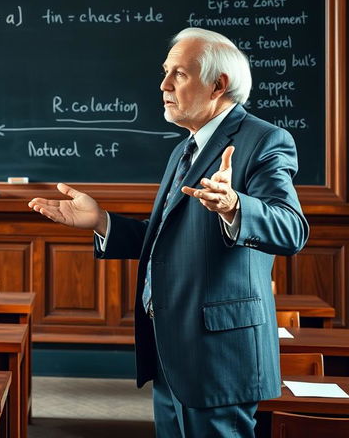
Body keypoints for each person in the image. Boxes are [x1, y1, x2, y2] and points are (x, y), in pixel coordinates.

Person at [28, 27, 309, 438]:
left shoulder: (264, 140)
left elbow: (292, 229)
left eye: (178, 73)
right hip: (172, 351)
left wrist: (234, 205)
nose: (163, 85)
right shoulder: (185, 148)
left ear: (219, 85)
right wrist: (102, 222)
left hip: (219, 357)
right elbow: (168, 240)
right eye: (165, 72)